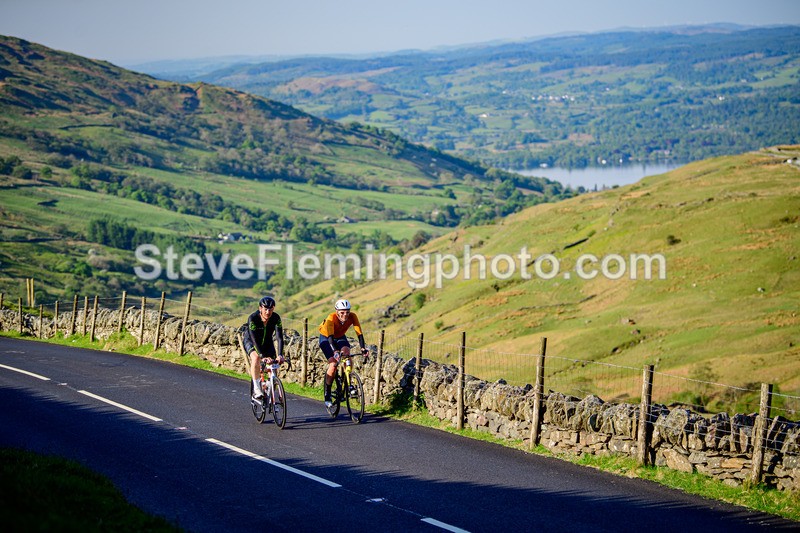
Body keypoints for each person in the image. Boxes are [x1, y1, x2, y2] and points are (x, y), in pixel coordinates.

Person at [318, 299, 370, 407]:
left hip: (340, 336)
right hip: (326, 338)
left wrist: (363, 348)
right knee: (333, 364)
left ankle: (348, 382)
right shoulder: (331, 318)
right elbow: (331, 339)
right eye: (342, 312)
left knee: (346, 353)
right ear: (337, 311)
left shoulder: (353, 316)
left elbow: (359, 334)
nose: (345, 315)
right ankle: (327, 393)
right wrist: (336, 352)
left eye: (347, 312)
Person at [242, 296, 285, 400]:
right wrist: (262, 356)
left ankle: (266, 387)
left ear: (273, 309)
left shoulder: (276, 318)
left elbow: (279, 337)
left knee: (273, 368)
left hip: (267, 343)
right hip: (251, 341)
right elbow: (254, 339)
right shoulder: (253, 318)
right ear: (260, 308)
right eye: (265, 309)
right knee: (256, 358)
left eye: (270, 309)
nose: (268, 312)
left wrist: (280, 355)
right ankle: (257, 389)